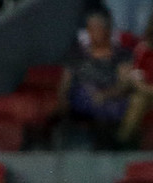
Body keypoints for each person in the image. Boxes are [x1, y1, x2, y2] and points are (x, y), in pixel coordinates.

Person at [56, 7, 135, 149]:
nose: (94, 32)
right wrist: (62, 100)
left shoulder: (122, 54)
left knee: (115, 106)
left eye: (99, 27)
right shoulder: (77, 54)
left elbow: (125, 84)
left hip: (112, 97)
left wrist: (106, 94)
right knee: (86, 94)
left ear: (108, 30)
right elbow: (65, 84)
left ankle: (110, 144)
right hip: (83, 96)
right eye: (91, 28)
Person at [118, 11, 153, 146]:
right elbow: (136, 79)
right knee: (137, 100)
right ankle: (122, 142)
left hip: (147, 91)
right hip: (146, 93)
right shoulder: (143, 49)